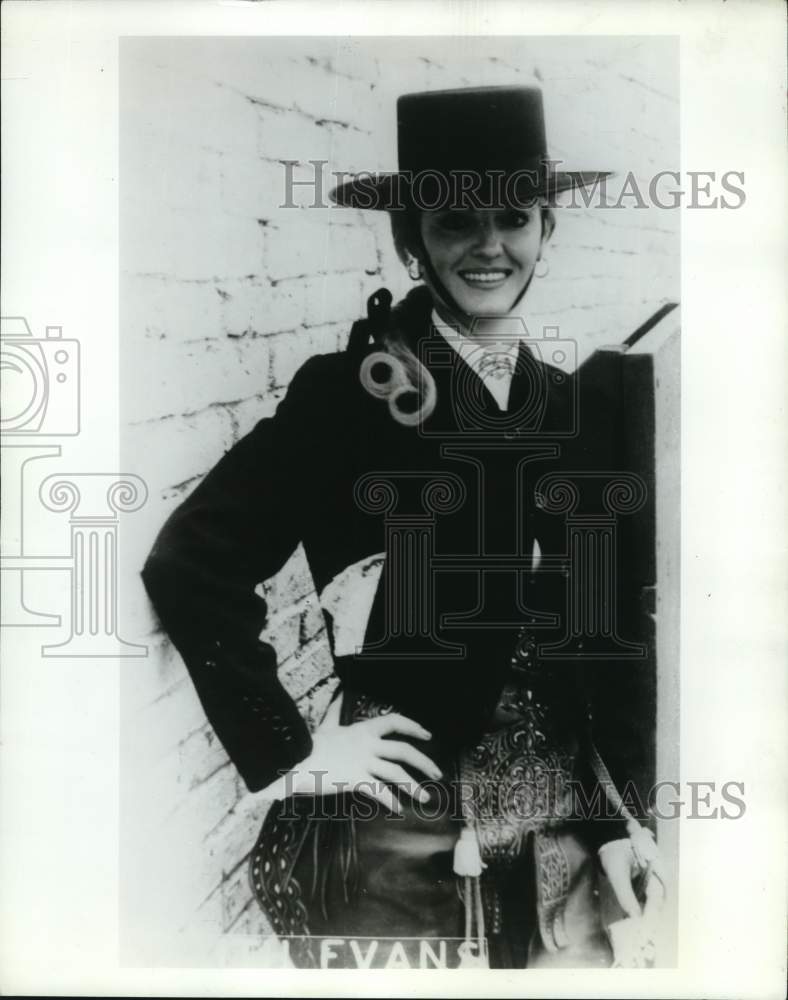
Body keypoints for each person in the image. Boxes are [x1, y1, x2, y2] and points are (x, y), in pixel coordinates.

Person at [142, 85, 663, 969]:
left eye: (513, 217)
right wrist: (293, 753)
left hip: (562, 847)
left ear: (548, 229)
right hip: (401, 838)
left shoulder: (574, 406)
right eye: (456, 221)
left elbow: (603, 630)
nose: (489, 247)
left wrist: (618, 815)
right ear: (408, 239)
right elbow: (192, 563)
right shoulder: (346, 397)